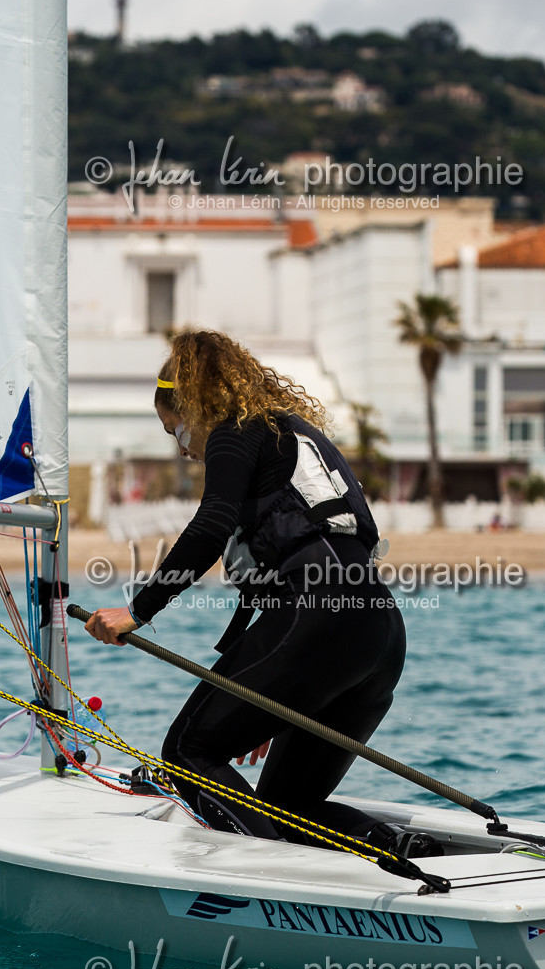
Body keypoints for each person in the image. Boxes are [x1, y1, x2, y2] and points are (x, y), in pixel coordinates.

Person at [83, 330, 420, 855]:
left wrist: (137, 611)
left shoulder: (233, 432)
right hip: (378, 633)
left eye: (175, 431)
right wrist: (271, 702)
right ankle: (402, 853)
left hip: (319, 620)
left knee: (187, 750)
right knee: (286, 811)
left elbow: (210, 527)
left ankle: (270, 889)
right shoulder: (286, 434)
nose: (184, 449)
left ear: (193, 404)